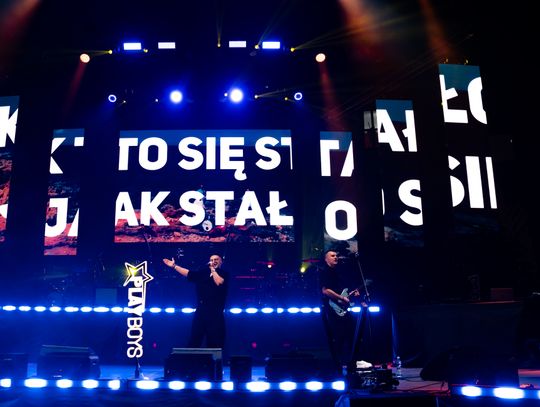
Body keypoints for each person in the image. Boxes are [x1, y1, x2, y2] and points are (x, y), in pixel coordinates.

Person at [163, 254, 228, 349]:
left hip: (216, 313)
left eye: (216, 259)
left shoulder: (224, 274)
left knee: (214, 342)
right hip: (201, 312)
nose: (213, 261)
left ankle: (213, 358)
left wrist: (213, 270)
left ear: (221, 262)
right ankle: (191, 358)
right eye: (211, 260)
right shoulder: (203, 273)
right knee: (195, 339)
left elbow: (219, 282)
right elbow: (189, 274)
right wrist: (174, 266)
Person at [319, 249, 367, 374]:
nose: (336, 257)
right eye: (332, 255)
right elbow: (325, 290)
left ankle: (351, 364)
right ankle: (337, 367)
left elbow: (342, 291)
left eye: (336, 255)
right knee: (338, 337)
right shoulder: (324, 271)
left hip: (341, 309)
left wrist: (352, 294)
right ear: (326, 259)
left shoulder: (337, 272)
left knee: (351, 334)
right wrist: (341, 298)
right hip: (331, 309)